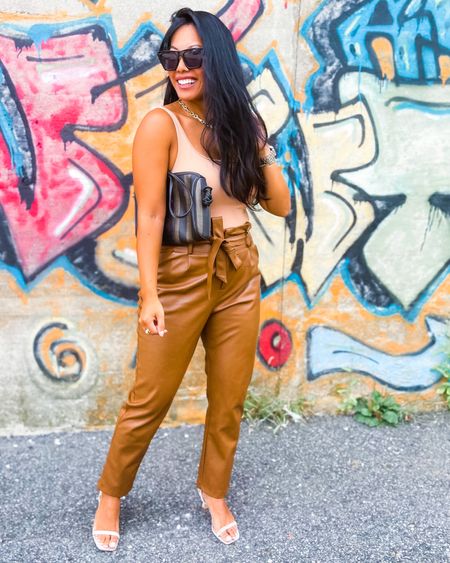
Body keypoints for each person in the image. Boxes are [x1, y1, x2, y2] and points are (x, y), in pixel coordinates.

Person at [92, 7, 291, 551]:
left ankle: (214, 490)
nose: (180, 66)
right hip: (180, 273)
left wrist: (259, 143)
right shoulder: (162, 125)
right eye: (171, 57)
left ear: (217, 61)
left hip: (239, 268)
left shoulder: (236, 128)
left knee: (229, 397)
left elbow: (279, 204)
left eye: (193, 56)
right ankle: (111, 494)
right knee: (149, 398)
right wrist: (149, 294)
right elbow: (150, 214)